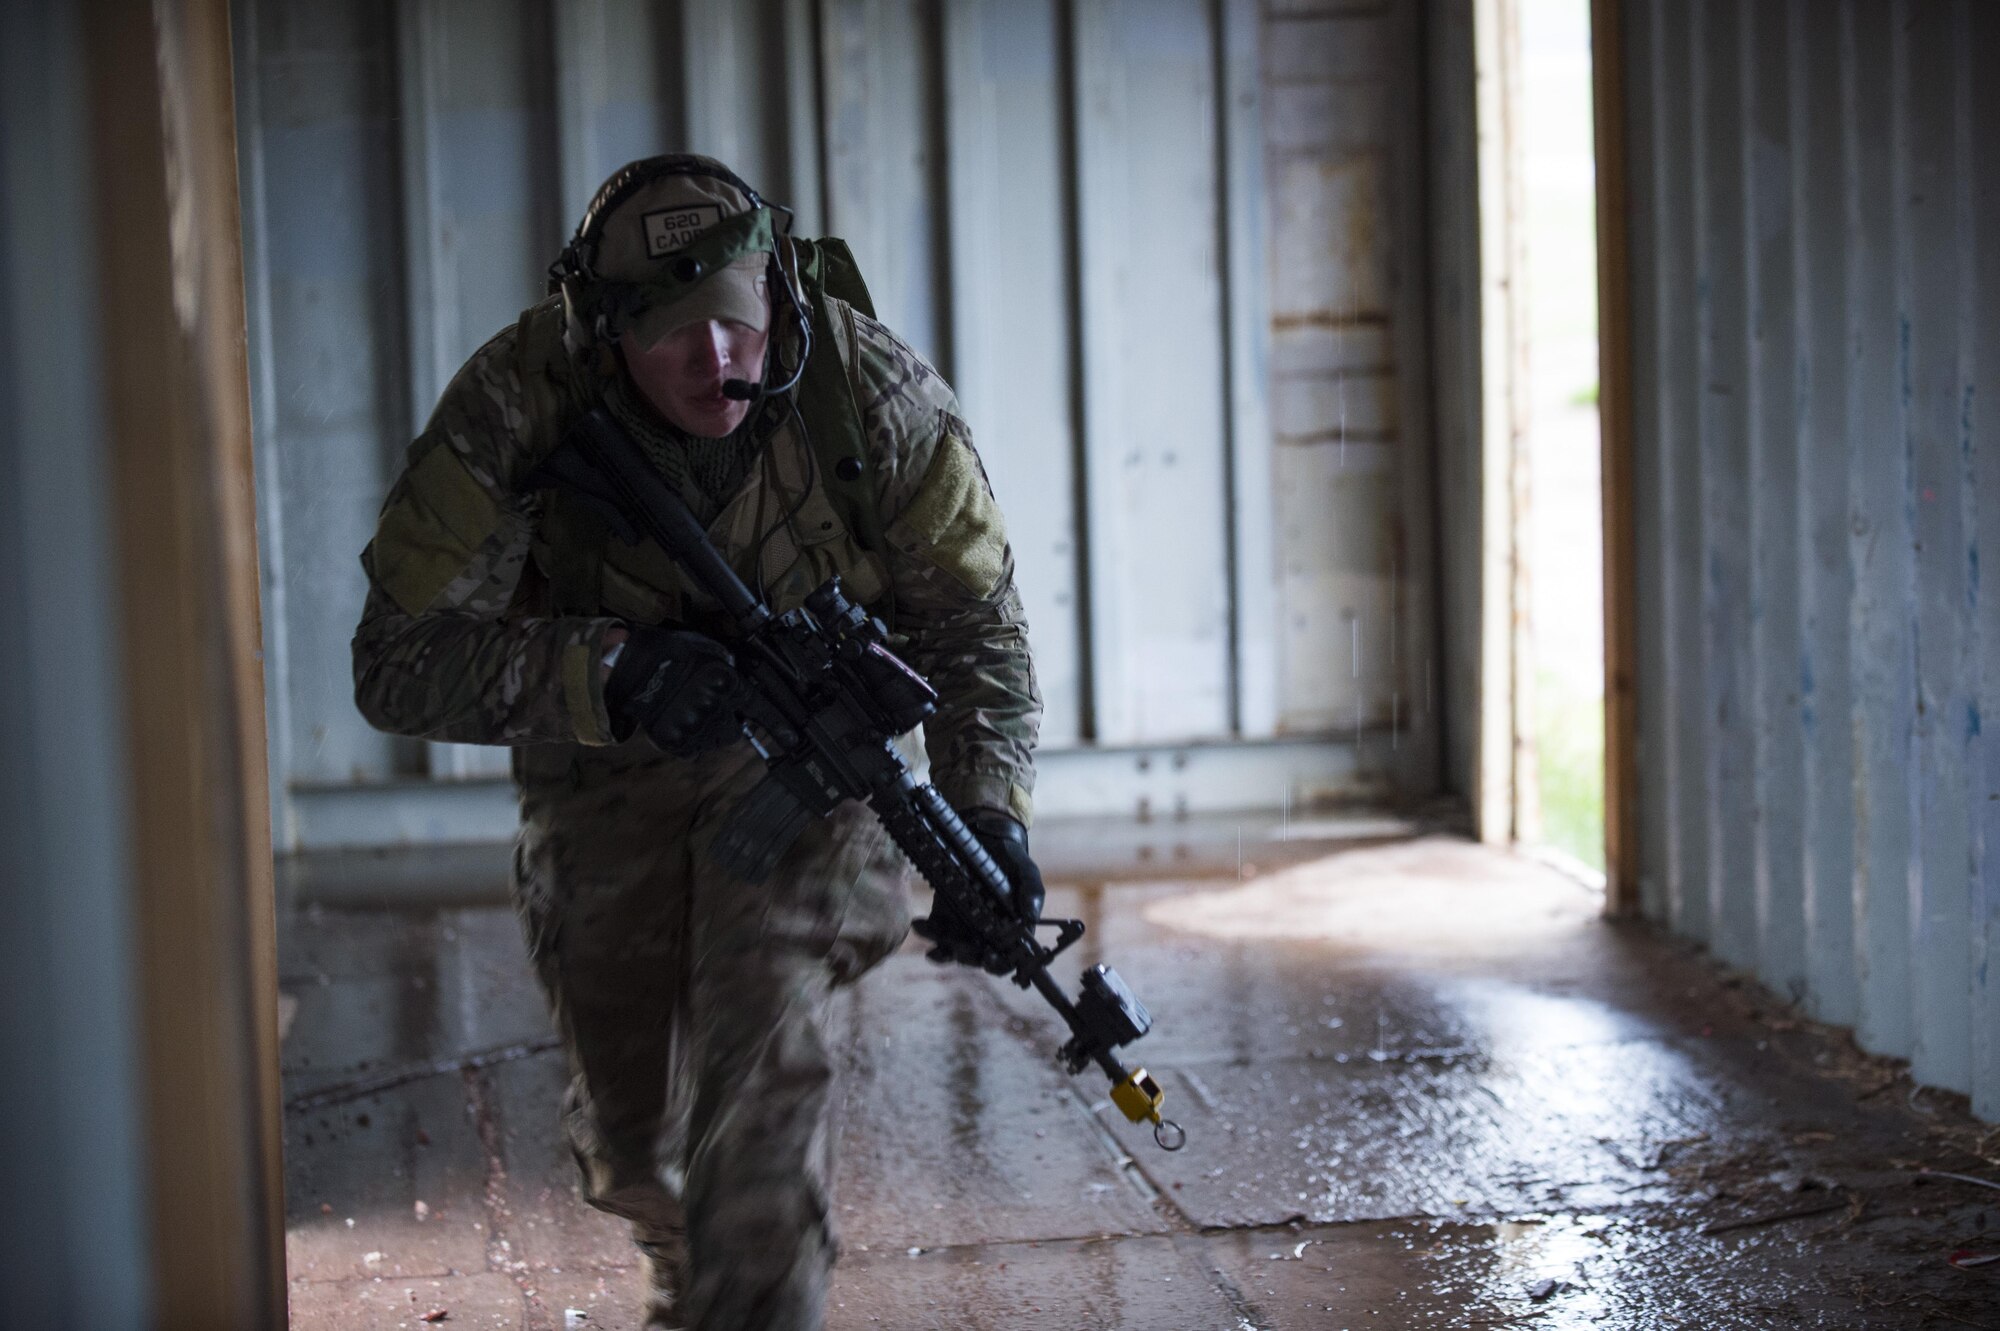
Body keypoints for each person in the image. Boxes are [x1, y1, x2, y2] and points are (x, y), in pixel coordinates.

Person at [350, 154, 1043, 1330]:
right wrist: (606, 669)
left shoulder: (868, 391)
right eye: (670, 335)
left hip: (812, 775)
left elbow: (976, 624)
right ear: (605, 329)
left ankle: (747, 1293)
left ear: (772, 286)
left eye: (733, 323)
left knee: (756, 1084)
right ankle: (691, 1258)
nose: (715, 361)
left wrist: (988, 812)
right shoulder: (523, 398)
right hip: (604, 771)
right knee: (633, 1148)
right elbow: (394, 660)